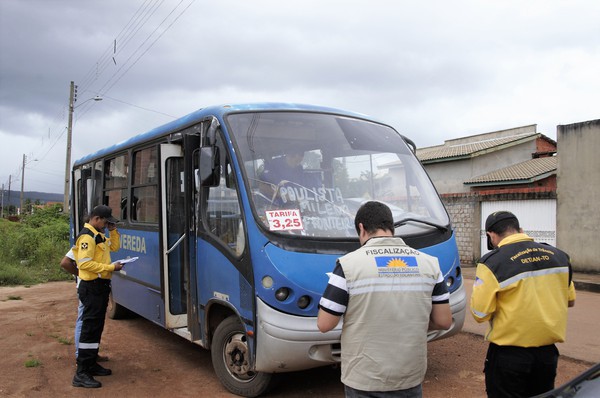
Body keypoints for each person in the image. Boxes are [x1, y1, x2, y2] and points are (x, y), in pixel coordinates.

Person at [317, 201, 452, 397]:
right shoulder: (430, 265)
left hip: (364, 378)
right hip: (409, 376)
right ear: (392, 227)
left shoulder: (348, 265)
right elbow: (443, 321)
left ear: (361, 228)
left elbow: (324, 323)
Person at [470, 211, 576, 398]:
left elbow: (480, 314)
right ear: (520, 230)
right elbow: (570, 300)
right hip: (547, 355)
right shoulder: (559, 256)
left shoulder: (492, 263)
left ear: (491, 235)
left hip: (508, 356)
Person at [72, 205, 123, 389]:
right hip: (91, 287)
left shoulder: (100, 235)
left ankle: (91, 364)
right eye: (106, 221)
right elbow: (85, 264)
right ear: (96, 218)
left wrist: (113, 231)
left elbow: (115, 247)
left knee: (96, 328)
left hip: (100, 287)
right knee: (89, 328)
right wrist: (111, 268)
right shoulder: (87, 236)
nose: (107, 223)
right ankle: (82, 372)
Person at [60, 244, 108, 362]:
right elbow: (65, 263)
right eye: (104, 224)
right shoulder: (86, 239)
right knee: (84, 322)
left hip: (97, 288)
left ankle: (91, 355)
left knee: (94, 325)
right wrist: (82, 274)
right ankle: (80, 356)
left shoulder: (98, 239)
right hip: (88, 288)